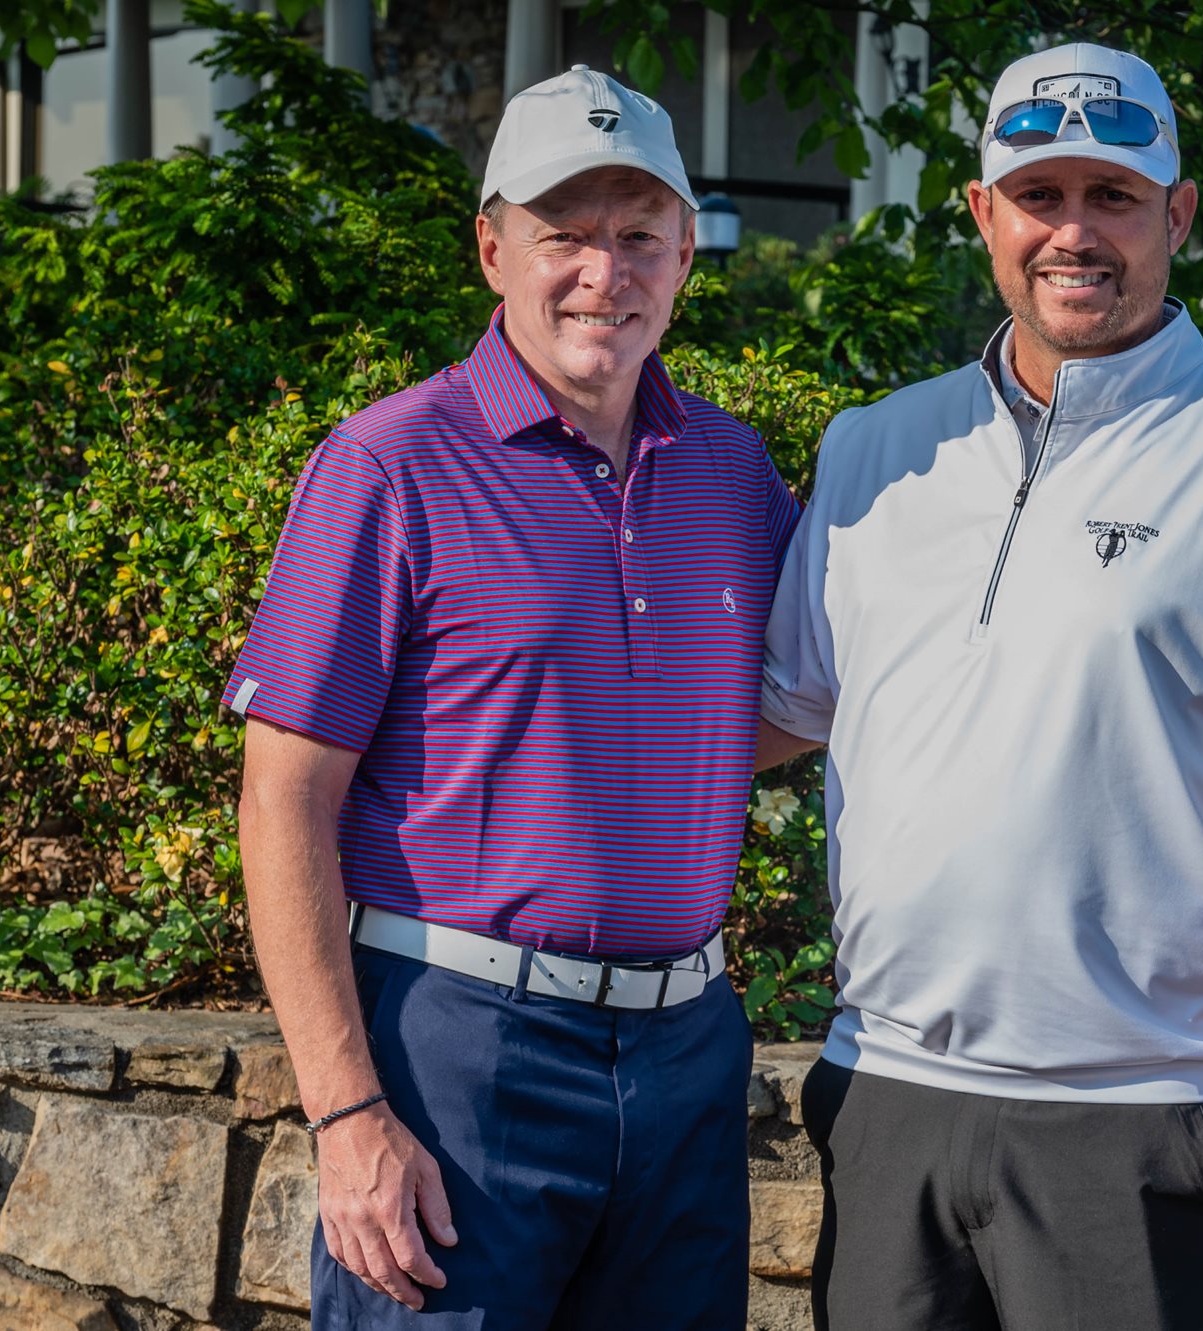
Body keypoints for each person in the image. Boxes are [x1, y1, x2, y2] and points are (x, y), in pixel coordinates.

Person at [757, 42, 1203, 1331]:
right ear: (982, 214)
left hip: (1137, 1126)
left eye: (1112, 196)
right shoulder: (874, 449)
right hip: (886, 1098)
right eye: (1039, 196)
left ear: (1176, 213)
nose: (1073, 232)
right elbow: (778, 713)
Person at [228, 65, 798, 1329]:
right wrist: (345, 1110)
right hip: (458, 1053)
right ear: (492, 250)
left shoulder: (732, 470)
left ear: (685, 257)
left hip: (686, 1053)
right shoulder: (387, 462)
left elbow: (783, 703)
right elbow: (281, 802)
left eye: (638, 235)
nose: (604, 271)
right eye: (565, 235)